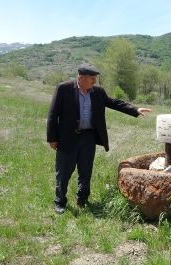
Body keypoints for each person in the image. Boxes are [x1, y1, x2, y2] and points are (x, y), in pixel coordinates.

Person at [47, 63, 152, 214]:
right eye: (92, 78)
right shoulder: (64, 88)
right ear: (81, 78)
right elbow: (52, 114)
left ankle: (82, 199)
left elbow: (113, 103)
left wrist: (134, 109)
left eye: (95, 78)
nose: (94, 81)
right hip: (67, 138)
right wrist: (52, 138)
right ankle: (60, 202)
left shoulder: (98, 92)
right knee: (63, 172)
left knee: (85, 171)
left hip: (88, 137)